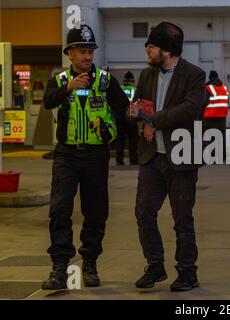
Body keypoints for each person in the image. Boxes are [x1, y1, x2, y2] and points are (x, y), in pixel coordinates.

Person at [41, 23, 129, 290]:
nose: (87, 57)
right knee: (59, 210)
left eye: (90, 51)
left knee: (95, 212)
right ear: (70, 53)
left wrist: (113, 137)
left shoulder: (105, 80)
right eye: (82, 51)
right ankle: (59, 268)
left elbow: (124, 110)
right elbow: (47, 102)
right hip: (66, 155)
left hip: (95, 156)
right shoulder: (59, 81)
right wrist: (69, 88)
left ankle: (89, 263)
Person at [129, 21, 205, 291]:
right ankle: (155, 265)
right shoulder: (147, 75)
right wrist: (138, 115)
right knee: (143, 213)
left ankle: (187, 272)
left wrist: (154, 121)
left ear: (168, 50)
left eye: (152, 47)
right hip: (152, 158)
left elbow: (190, 109)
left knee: (182, 218)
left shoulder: (194, 75)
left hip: (182, 157)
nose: (147, 50)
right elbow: (140, 104)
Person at [116, 71, 138, 165]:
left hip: (120, 117)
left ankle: (119, 161)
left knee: (120, 139)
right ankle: (133, 160)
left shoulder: (119, 89)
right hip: (131, 117)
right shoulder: (134, 89)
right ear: (132, 80)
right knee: (132, 139)